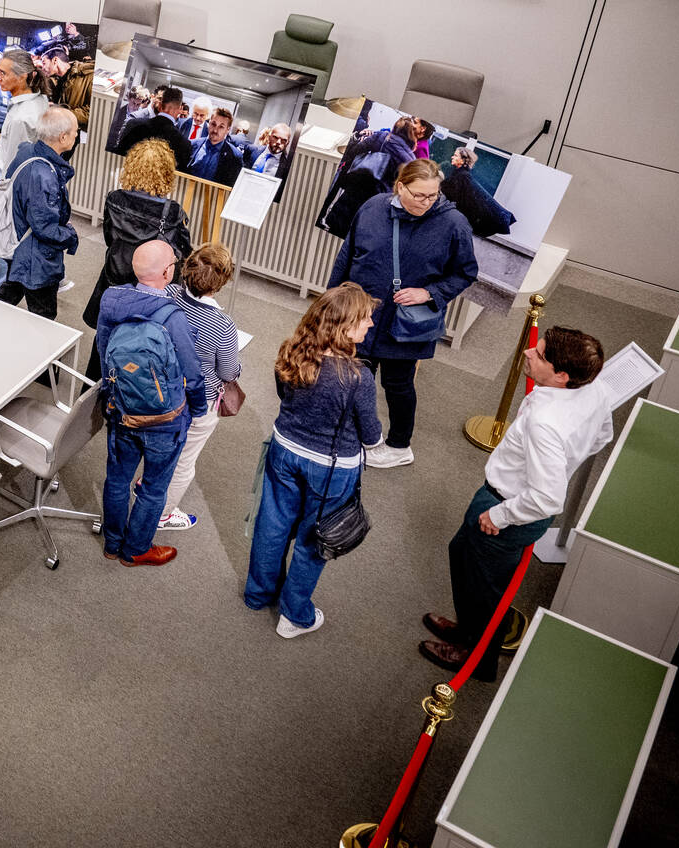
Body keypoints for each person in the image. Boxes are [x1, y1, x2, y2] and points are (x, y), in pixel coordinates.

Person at [421, 329, 611, 679]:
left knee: (484, 591)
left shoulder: (545, 424)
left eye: (538, 354)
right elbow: (602, 434)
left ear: (562, 376)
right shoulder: (595, 388)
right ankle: (468, 632)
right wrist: (567, 460)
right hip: (509, 501)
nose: (527, 352)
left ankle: (477, 660)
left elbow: (547, 498)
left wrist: (500, 514)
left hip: (506, 509)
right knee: (461, 556)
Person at [244, 284, 382, 637]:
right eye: (364, 318)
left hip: (284, 450)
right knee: (312, 541)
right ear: (344, 326)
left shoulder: (292, 351)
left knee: (272, 526)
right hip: (331, 470)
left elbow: (284, 395)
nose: (369, 323)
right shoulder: (358, 377)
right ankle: (294, 616)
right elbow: (371, 436)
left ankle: (257, 595)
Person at [329, 158, 478, 469]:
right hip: (361, 320)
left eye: (433, 195)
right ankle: (355, 436)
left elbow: (465, 273)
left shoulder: (454, 224)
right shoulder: (373, 207)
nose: (426, 202)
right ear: (399, 187)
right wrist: (330, 303)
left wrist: (430, 293)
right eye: (418, 195)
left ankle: (400, 445)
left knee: (397, 385)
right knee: (355, 379)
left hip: (405, 326)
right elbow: (347, 252)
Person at [95, 240, 208, 568]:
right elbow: (193, 371)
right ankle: (136, 550)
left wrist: (112, 397)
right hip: (165, 419)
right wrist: (198, 410)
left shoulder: (110, 299)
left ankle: (112, 544)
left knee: (117, 479)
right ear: (167, 272)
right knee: (154, 488)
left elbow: (104, 350)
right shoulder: (172, 316)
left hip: (122, 411)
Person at [83, 138, 192, 377]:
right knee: (141, 345)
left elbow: (110, 237)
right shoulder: (172, 212)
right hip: (148, 288)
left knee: (104, 337)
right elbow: (182, 252)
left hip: (114, 277)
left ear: (131, 167)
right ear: (166, 173)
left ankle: (91, 391)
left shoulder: (114, 199)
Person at [159, 243, 243, 532]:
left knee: (160, 443)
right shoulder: (223, 326)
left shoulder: (167, 295)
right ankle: (163, 515)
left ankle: (148, 484)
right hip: (198, 402)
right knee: (184, 460)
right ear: (220, 283)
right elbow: (229, 371)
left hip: (160, 389)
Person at [0, 107, 80, 319]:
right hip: (36, 257)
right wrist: (70, 235)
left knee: (9, 293)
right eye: (75, 132)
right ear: (63, 137)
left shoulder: (26, 151)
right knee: (44, 318)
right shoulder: (44, 177)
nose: (77, 135)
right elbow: (45, 228)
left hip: (16, 242)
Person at [0, 48, 49, 294]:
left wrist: (3, 194)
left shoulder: (22, 116)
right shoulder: (39, 100)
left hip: (15, 185)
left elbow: (13, 162)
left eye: (3, 73)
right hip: (31, 183)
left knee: (4, 234)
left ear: (22, 77)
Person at [114, 84, 195, 168]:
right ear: (180, 109)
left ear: (160, 105)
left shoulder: (134, 125)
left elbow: (118, 157)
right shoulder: (184, 145)